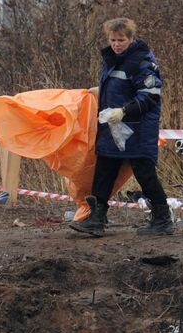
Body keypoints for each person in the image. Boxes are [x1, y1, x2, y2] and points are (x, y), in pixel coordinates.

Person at [69, 18, 171, 237]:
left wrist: (124, 111)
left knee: (144, 173)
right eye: (113, 40)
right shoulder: (112, 60)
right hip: (113, 128)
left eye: (121, 40)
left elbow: (150, 96)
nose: (116, 44)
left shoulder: (142, 63)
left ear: (131, 39)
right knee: (104, 169)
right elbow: (118, 87)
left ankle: (163, 218)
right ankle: (97, 218)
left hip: (138, 128)